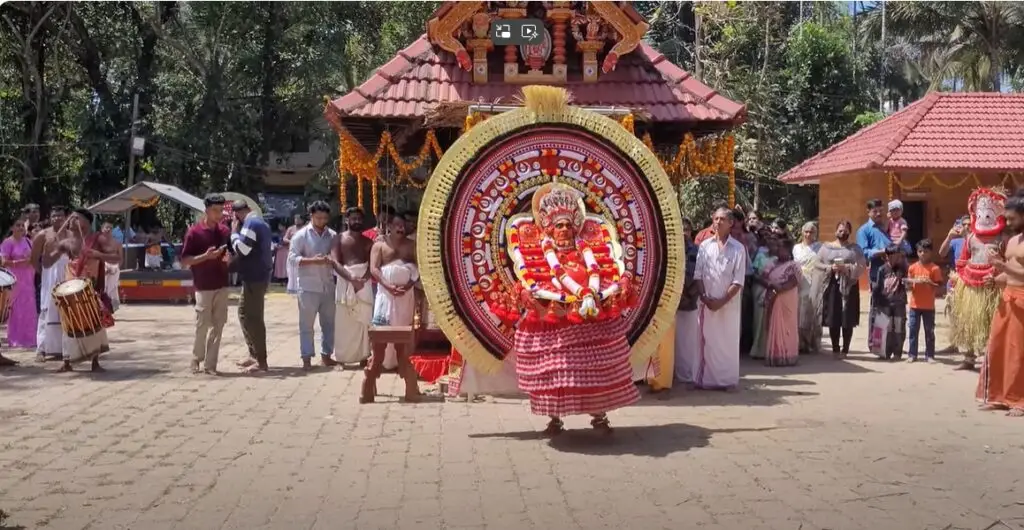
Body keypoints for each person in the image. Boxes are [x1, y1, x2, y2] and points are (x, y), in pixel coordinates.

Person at [501, 182, 639, 433]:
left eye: (568, 225)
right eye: (559, 225)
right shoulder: (538, 254)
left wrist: (615, 286)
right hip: (553, 319)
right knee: (555, 371)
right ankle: (554, 419)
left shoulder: (590, 251)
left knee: (596, 370)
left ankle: (599, 416)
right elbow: (526, 282)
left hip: (591, 320)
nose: (564, 230)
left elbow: (609, 275)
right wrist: (530, 294)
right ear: (549, 228)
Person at [53, 208, 121, 372]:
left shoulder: (98, 239)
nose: (71, 221)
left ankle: (95, 361)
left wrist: (98, 254)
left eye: (76, 218)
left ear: (86, 222)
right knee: (68, 323)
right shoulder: (68, 240)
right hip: (70, 286)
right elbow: (53, 247)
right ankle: (67, 360)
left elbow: (116, 257)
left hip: (90, 286)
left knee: (93, 321)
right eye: (71, 218)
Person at [978, 190, 1024, 416]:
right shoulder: (1013, 240)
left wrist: (1004, 267)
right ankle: (999, 397)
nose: (1008, 222)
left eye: (1012, 218)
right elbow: (1011, 273)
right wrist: (995, 279)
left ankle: (1019, 400)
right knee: (998, 347)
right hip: (1008, 298)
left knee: (1019, 352)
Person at [951, 188, 1007, 371]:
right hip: (970, 284)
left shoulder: (1002, 238)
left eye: (989, 213)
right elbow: (962, 259)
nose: (984, 217)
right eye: (981, 212)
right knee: (968, 322)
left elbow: (1008, 263)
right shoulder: (971, 237)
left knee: (990, 323)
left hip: (992, 286)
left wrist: (999, 277)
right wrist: (958, 278)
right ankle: (968, 358)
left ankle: (990, 358)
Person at [692, 206, 747, 390]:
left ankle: (727, 381)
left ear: (731, 223)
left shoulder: (738, 249)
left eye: (722, 219)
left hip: (729, 305)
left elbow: (738, 280)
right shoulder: (705, 247)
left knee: (727, 343)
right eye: (715, 219)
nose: (717, 222)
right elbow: (698, 275)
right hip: (707, 304)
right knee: (707, 342)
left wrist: (721, 301)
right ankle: (705, 380)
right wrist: (706, 298)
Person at [180, 194, 231, 375]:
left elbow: (230, 254)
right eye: (215, 211)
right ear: (206, 210)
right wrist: (205, 257)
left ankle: (211, 365)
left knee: (218, 325)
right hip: (202, 285)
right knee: (202, 325)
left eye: (220, 211)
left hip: (222, 284)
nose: (218, 215)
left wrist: (228, 258)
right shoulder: (194, 233)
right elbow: (185, 260)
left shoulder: (225, 232)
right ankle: (196, 358)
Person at [288, 201, 338, 370]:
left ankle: (327, 356)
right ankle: (307, 358)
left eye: (325, 218)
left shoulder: (332, 235)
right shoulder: (301, 235)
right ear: (311, 216)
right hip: (308, 287)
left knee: (329, 323)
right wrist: (313, 261)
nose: (322, 221)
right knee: (306, 325)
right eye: (318, 218)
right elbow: (292, 259)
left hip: (328, 286)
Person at [370, 213, 419, 370]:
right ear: (389, 226)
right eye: (397, 225)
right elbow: (374, 268)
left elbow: (419, 267)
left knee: (403, 327)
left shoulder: (412, 245)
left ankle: (402, 362)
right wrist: (388, 286)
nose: (401, 228)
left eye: (403, 225)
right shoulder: (379, 245)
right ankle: (381, 361)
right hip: (385, 293)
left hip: (406, 294)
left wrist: (409, 284)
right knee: (383, 327)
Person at [229, 200, 273, 373]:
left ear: (237, 214)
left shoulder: (251, 223)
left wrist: (233, 233)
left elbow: (243, 249)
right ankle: (253, 354)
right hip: (254, 276)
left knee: (253, 318)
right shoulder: (259, 223)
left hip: (255, 277)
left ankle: (261, 361)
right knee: (243, 313)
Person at [331, 207, 374, 368]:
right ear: (346, 220)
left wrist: (362, 279)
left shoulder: (368, 242)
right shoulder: (338, 239)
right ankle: (341, 359)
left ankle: (364, 357)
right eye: (353, 219)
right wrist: (351, 278)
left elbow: (373, 265)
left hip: (363, 283)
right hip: (345, 281)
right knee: (344, 321)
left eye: (359, 219)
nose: (356, 221)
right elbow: (334, 262)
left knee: (363, 320)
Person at [818, 220, 867, 356]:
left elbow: (862, 265)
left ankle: (845, 349)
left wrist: (848, 268)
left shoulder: (855, 249)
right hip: (832, 285)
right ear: (835, 231)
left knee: (847, 318)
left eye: (845, 231)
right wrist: (830, 268)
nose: (842, 233)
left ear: (849, 232)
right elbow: (817, 264)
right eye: (840, 230)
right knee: (833, 317)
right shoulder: (826, 248)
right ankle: (835, 348)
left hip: (849, 286)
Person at [32, 206, 69, 361]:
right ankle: (41, 349)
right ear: (50, 217)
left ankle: (64, 348)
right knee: (47, 309)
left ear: (65, 217)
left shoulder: (71, 234)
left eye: (60, 216)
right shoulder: (42, 235)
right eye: (54, 216)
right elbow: (34, 259)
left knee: (66, 310)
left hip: (67, 273)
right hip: (49, 274)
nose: (57, 219)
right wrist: (44, 274)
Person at [763, 237, 801, 367]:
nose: (779, 250)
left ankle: (788, 355)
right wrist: (772, 286)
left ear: (789, 250)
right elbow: (763, 278)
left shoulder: (793, 265)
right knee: (773, 324)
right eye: (777, 247)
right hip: (773, 296)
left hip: (787, 298)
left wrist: (780, 288)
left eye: (782, 248)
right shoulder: (772, 263)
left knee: (787, 326)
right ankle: (776, 355)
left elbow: (794, 281)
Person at [905, 239, 944, 363]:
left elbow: (939, 287)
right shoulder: (912, 268)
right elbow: (909, 286)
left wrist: (929, 283)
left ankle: (930, 355)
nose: (922, 254)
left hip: (928, 306)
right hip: (914, 305)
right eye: (920, 251)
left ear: (930, 252)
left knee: (929, 331)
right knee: (913, 331)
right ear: (917, 252)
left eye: (925, 251)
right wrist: (909, 284)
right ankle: (912, 354)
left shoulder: (934, 269)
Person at [674, 218, 702, 384]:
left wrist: (689, 293)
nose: (684, 232)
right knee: (674, 341)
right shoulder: (671, 249)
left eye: (686, 229)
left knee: (688, 340)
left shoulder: (697, 251)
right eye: (681, 229)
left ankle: (688, 374)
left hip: (690, 300)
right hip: (673, 301)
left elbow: (699, 274)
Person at [1, 219, 37, 348]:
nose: (21, 228)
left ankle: (30, 339)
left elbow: (34, 258)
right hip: (15, 280)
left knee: (29, 310)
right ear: (11, 227)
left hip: (28, 280)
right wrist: (21, 262)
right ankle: (16, 339)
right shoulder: (7, 242)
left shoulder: (28, 241)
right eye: (18, 225)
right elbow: (4, 262)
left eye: (22, 225)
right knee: (16, 310)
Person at [872, 245, 909, 361]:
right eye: (892, 256)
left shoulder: (902, 269)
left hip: (899, 302)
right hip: (885, 303)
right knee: (885, 328)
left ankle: (897, 353)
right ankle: (885, 352)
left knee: (899, 328)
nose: (895, 258)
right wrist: (876, 304)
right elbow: (877, 287)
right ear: (887, 257)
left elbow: (908, 281)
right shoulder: (882, 270)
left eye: (897, 256)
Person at [793, 222, 824, 353]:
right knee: (800, 313)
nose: (808, 234)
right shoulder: (796, 248)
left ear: (815, 233)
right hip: (800, 282)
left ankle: (814, 343)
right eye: (806, 231)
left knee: (814, 312)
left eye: (811, 232)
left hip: (815, 281)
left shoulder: (820, 248)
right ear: (802, 232)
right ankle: (801, 344)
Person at [748, 234, 778, 359]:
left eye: (775, 242)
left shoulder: (780, 258)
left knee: (772, 320)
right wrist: (765, 282)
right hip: (760, 288)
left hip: (776, 290)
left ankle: (772, 349)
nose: (772, 244)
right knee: (759, 319)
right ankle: (758, 350)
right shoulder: (760, 255)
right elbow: (753, 273)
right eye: (769, 241)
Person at [278, 214, 304, 286]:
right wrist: (291, 241)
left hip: (303, 252)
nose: (296, 220)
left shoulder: (305, 229)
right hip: (292, 251)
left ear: (302, 220)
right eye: (295, 219)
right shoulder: (290, 229)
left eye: (298, 219)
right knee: (291, 270)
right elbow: (284, 238)